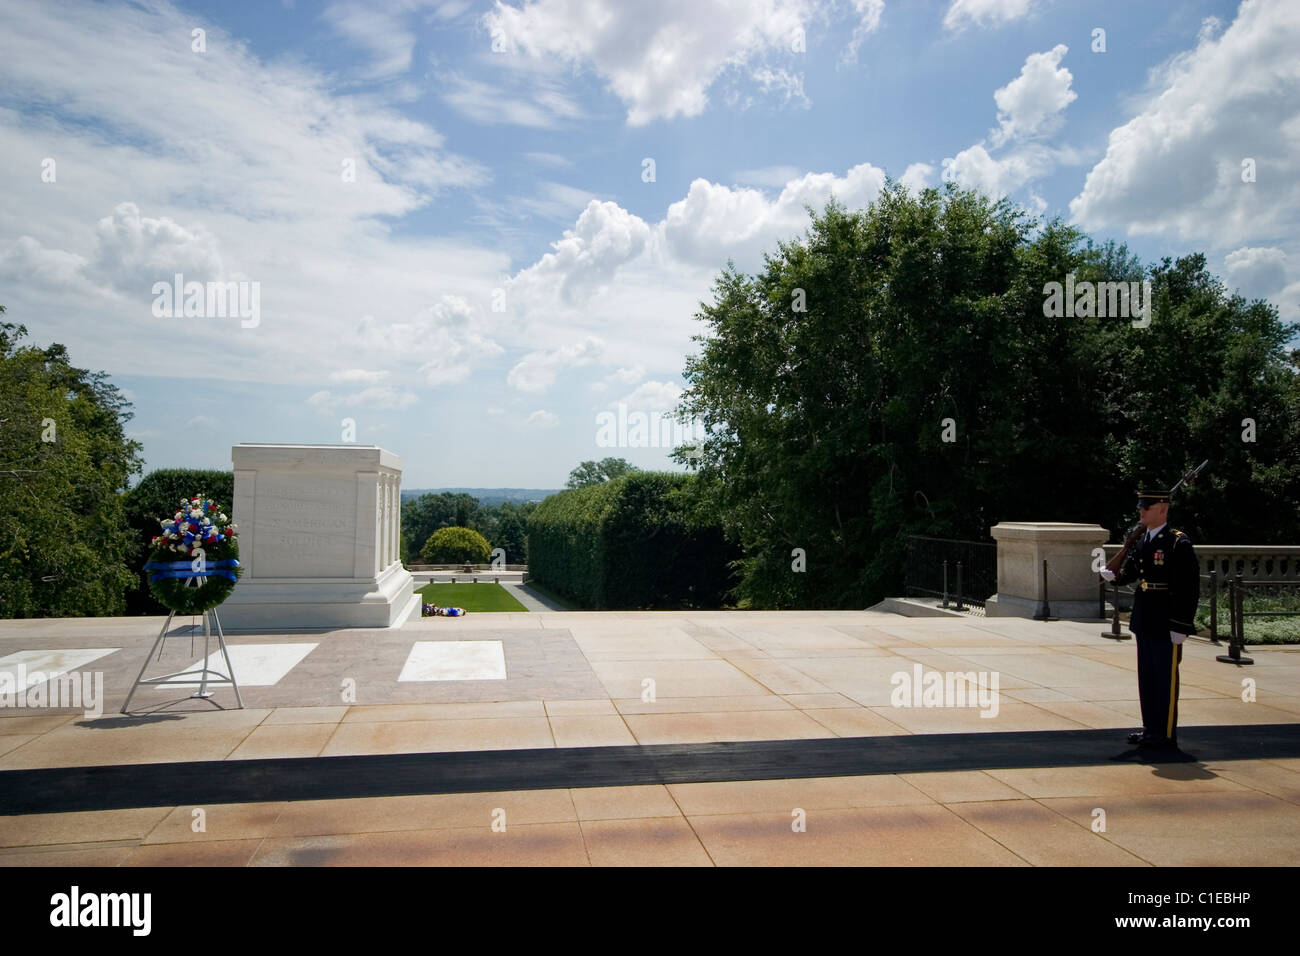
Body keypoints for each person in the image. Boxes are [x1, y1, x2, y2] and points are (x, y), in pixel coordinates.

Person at [1100, 489, 1199, 750]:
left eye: (1147, 506)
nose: (1141, 511)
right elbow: (1132, 572)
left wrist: (1181, 625)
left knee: (1165, 680)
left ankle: (1165, 734)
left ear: (1163, 509)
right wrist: (1115, 576)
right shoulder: (1143, 540)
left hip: (1166, 621)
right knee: (1147, 677)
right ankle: (1150, 729)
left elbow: (1188, 589)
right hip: (1144, 618)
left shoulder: (1178, 543)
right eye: (1140, 506)